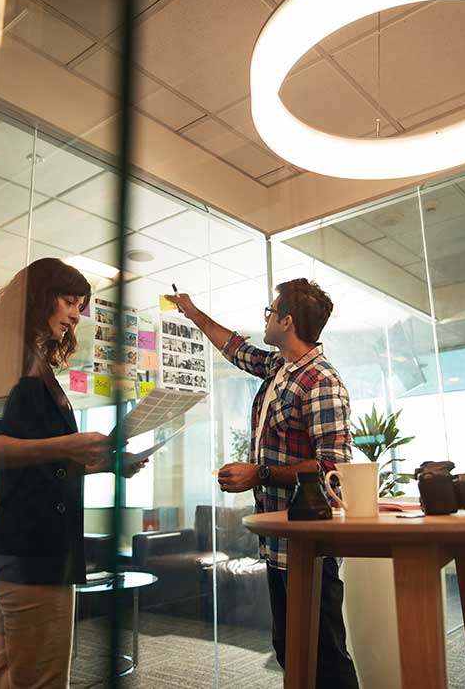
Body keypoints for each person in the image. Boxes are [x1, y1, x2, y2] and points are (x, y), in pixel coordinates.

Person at [164, 279, 360, 689]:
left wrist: (261, 473)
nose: (266, 319)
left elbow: (333, 468)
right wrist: (192, 311)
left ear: (287, 321)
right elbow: (235, 348)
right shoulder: (279, 369)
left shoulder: (321, 381)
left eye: (270, 313)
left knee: (327, 659)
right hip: (277, 544)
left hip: (308, 546)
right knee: (291, 651)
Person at [0, 258, 146, 689]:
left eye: (80, 305)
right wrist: (69, 445)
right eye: (68, 301)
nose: (74, 314)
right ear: (38, 297)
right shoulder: (7, 356)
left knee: (2, 667)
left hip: (38, 542)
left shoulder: (36, 365)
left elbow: (48, 466)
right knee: (41, 678)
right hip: (31, 546)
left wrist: (108, 465)